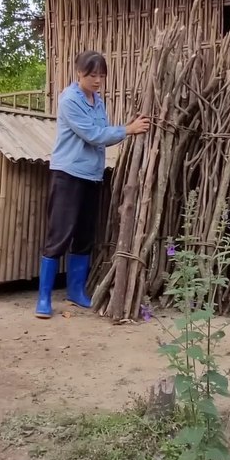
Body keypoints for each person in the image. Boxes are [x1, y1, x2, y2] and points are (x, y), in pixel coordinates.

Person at [36, 50, 150, 319]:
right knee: (59, 235)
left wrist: (124, 129)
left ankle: (76, 291)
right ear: (79, 73)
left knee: (85, 235)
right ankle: (43, 298)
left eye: (101, 75)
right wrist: (127, 129)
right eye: (92, 75)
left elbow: (101, 132)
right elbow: (93, 134)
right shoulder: (69, 100)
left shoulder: (98, 101)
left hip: (91, 175)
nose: (97, 80)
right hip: (68, 173)